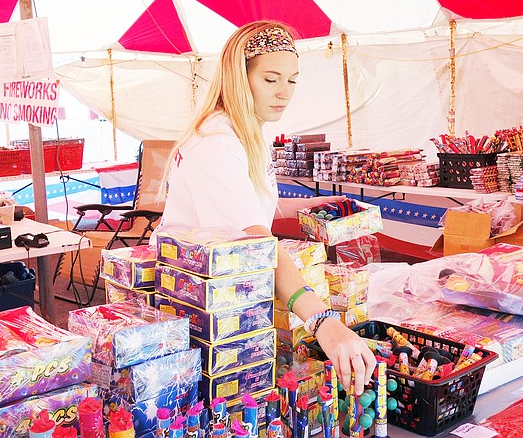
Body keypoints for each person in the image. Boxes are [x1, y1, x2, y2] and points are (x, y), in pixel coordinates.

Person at [154, 21, 376, 391]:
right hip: (199, 303)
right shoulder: (218, 144)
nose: (284, 93)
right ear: (240, 78)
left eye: (292, 80)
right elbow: (257, 242)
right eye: (271, 79)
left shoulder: (244, 129)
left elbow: (250, 202)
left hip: (220, 291)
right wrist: (322, 320)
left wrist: (313, 203)